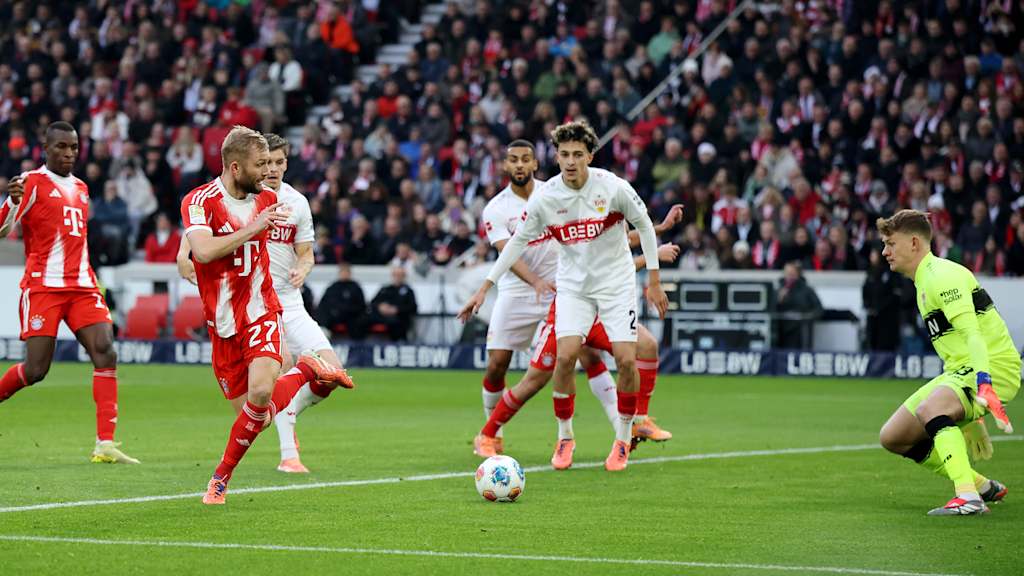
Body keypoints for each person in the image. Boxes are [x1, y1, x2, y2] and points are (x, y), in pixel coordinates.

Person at [460, 121, 668, 472]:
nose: (571, 161)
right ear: (556, 157)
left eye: (577, 154)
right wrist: (485, 287)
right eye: (565, 154)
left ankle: (622, 438)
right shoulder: (546, 198)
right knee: (565, 356)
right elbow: (516, 243)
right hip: (572, 288)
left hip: (615, 286)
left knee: (627, 360)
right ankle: (565, 436)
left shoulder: (613, 187)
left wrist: (654, 280)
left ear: (590, 156)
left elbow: (644, 225)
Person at [179, 126, 353, 505]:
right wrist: (187, 250)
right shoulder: (199, 200)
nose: (267, 173)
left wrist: (301, 263)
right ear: (235, 167)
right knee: (257, 416)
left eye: (273, 164)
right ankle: (307, 369)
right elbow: (203, 251)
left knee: (261, 391)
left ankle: (219, 480)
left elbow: (303, 248)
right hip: (222, 323)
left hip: (262, 309)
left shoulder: (272, 199)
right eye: (260, 165)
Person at [0, 121, 139, 464]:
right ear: (45, 148)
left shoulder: (81, 187)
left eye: (74, 147)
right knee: (36, 370)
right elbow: (3, 229)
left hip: (82, 287)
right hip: (44, 287)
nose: (69, 153)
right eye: (61, 146)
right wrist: (11, 202)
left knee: (105, 350)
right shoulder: (30, 182)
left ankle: (105, 444)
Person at [473, 242, 681, 462]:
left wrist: (656, 232)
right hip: (567, 315)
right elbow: (608, 267)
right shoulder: (572, 231)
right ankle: (489, 435)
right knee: (534, 380)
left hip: (598, 315)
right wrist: (651, 255)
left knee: (646, 345)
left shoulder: (601, 226)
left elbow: (621, 240)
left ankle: (639, 421)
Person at [877, 209, 1018, 516]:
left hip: (993, 366)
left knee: (931, 409)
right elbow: (955, 348)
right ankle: (980, 485)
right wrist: (972, 418)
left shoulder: (942, 277)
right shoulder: (923, 281)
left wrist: (983, 385)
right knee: (893, 436)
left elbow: (973, 335)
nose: (885, 252)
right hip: (961, 370)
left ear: (914, 243)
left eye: (890, 243)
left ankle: (968, 498)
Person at [775, 261, 822, 348]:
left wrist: (804, 317)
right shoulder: (778, 290)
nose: (789, 276)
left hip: (800, 329)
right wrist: (778, 300)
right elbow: (772, 310)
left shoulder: (807, 290)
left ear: (798, 274)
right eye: (787, 273)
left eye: (792, 273)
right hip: (781, 330)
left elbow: (819, 310)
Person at [316, 262, 367, 339]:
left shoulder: (356, 287)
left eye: (346, 271)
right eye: (342, 271)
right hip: (333, 315)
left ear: (350, 273)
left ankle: (357, 344)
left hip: (351, 315)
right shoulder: (332, 287)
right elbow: (323, 304)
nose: (344, 274)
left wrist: (346, 310)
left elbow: (361, 306)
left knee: (359, 322)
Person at [367, 266, 418, 341]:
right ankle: (359, 344)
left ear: (404, 277)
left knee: (395, 323)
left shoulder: (408, 291)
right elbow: (372, 303)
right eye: (396, 275)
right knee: (363, 320)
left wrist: (396, 310)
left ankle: (396, 343)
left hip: (398, 318)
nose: (398, 277)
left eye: (400, 275)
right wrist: (380, 307)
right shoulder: (385, 289)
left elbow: (413, 307)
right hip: (381, 316)